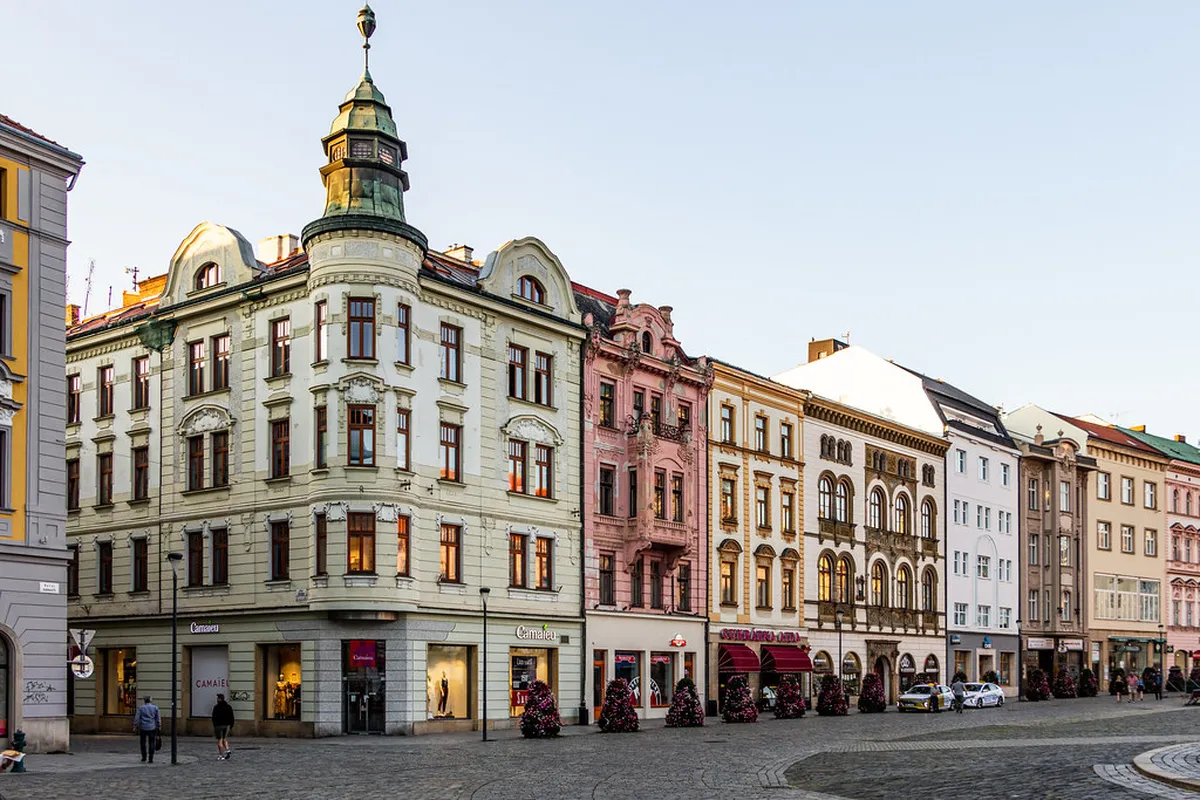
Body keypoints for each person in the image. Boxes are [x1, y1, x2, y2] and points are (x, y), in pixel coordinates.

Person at [132, 695, 161, 763]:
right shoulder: (155, 708)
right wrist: (159, 726)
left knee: (143, 742)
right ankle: (151, 758)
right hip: (152, 727)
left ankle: (144, 757)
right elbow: (158, 718)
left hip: (143, 727)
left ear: (144, 701)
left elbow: (137, 718)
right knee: (151, 742)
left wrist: (135, 726)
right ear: (150, 700)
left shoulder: (141, 708)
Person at [212, 693, 235, 760]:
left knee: (220, 740)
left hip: (219, 725)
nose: (217, 699)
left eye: (217, 698)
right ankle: (227, 750)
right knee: (224, 738)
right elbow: (232, 717)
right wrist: (231, 725)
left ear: (219, 699)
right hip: (227, 725)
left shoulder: (216, 707)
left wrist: (214, 725)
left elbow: (213, 717)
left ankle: (220, 755)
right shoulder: (228, 707)